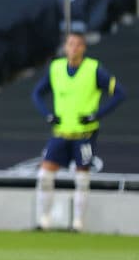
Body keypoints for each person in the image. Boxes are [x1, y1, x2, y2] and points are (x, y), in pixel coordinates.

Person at [32, 32, 126, 232]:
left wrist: (97, 115)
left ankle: (78, 223)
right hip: (61, 132)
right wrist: (47, 114)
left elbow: (120, 93)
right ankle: (43, 221)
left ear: (83, 48)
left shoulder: (94, 69)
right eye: (70, 44)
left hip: (85, 134)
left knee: (82, 178)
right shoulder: (56, 68)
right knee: (44, 175)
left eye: (78, 45)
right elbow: (37, 93)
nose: (73, 48)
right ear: (65, 47)